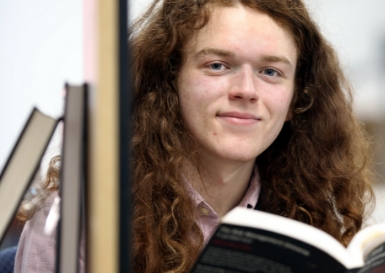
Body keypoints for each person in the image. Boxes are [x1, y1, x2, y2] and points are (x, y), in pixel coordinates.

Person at [15, 0, 374, 272]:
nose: (246, 90)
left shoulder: (312, 215)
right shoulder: (78, 215)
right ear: (170, 80)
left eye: (270, 71)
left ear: (298, 97)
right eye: (217, 65)